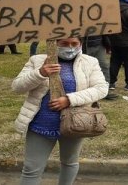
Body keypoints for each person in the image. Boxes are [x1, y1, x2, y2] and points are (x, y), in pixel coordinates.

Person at [11, 37, 108, 185]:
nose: (69, 47)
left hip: (75, 124)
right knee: (31, 168)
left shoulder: (89, 62)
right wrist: (40, 73)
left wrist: (69, 100)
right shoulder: (37, 60)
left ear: (80, 44)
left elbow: (101, 89)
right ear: (54, 43)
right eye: (64, 43)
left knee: (70, 162)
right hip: (41, 124)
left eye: (74, 44)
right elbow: (17, 87)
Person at [81, 35, 118, 100]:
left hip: (99, 44)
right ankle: (85, 92)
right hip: (83, 44)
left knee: (104, 67)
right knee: (83, 68)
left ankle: (105, 91)